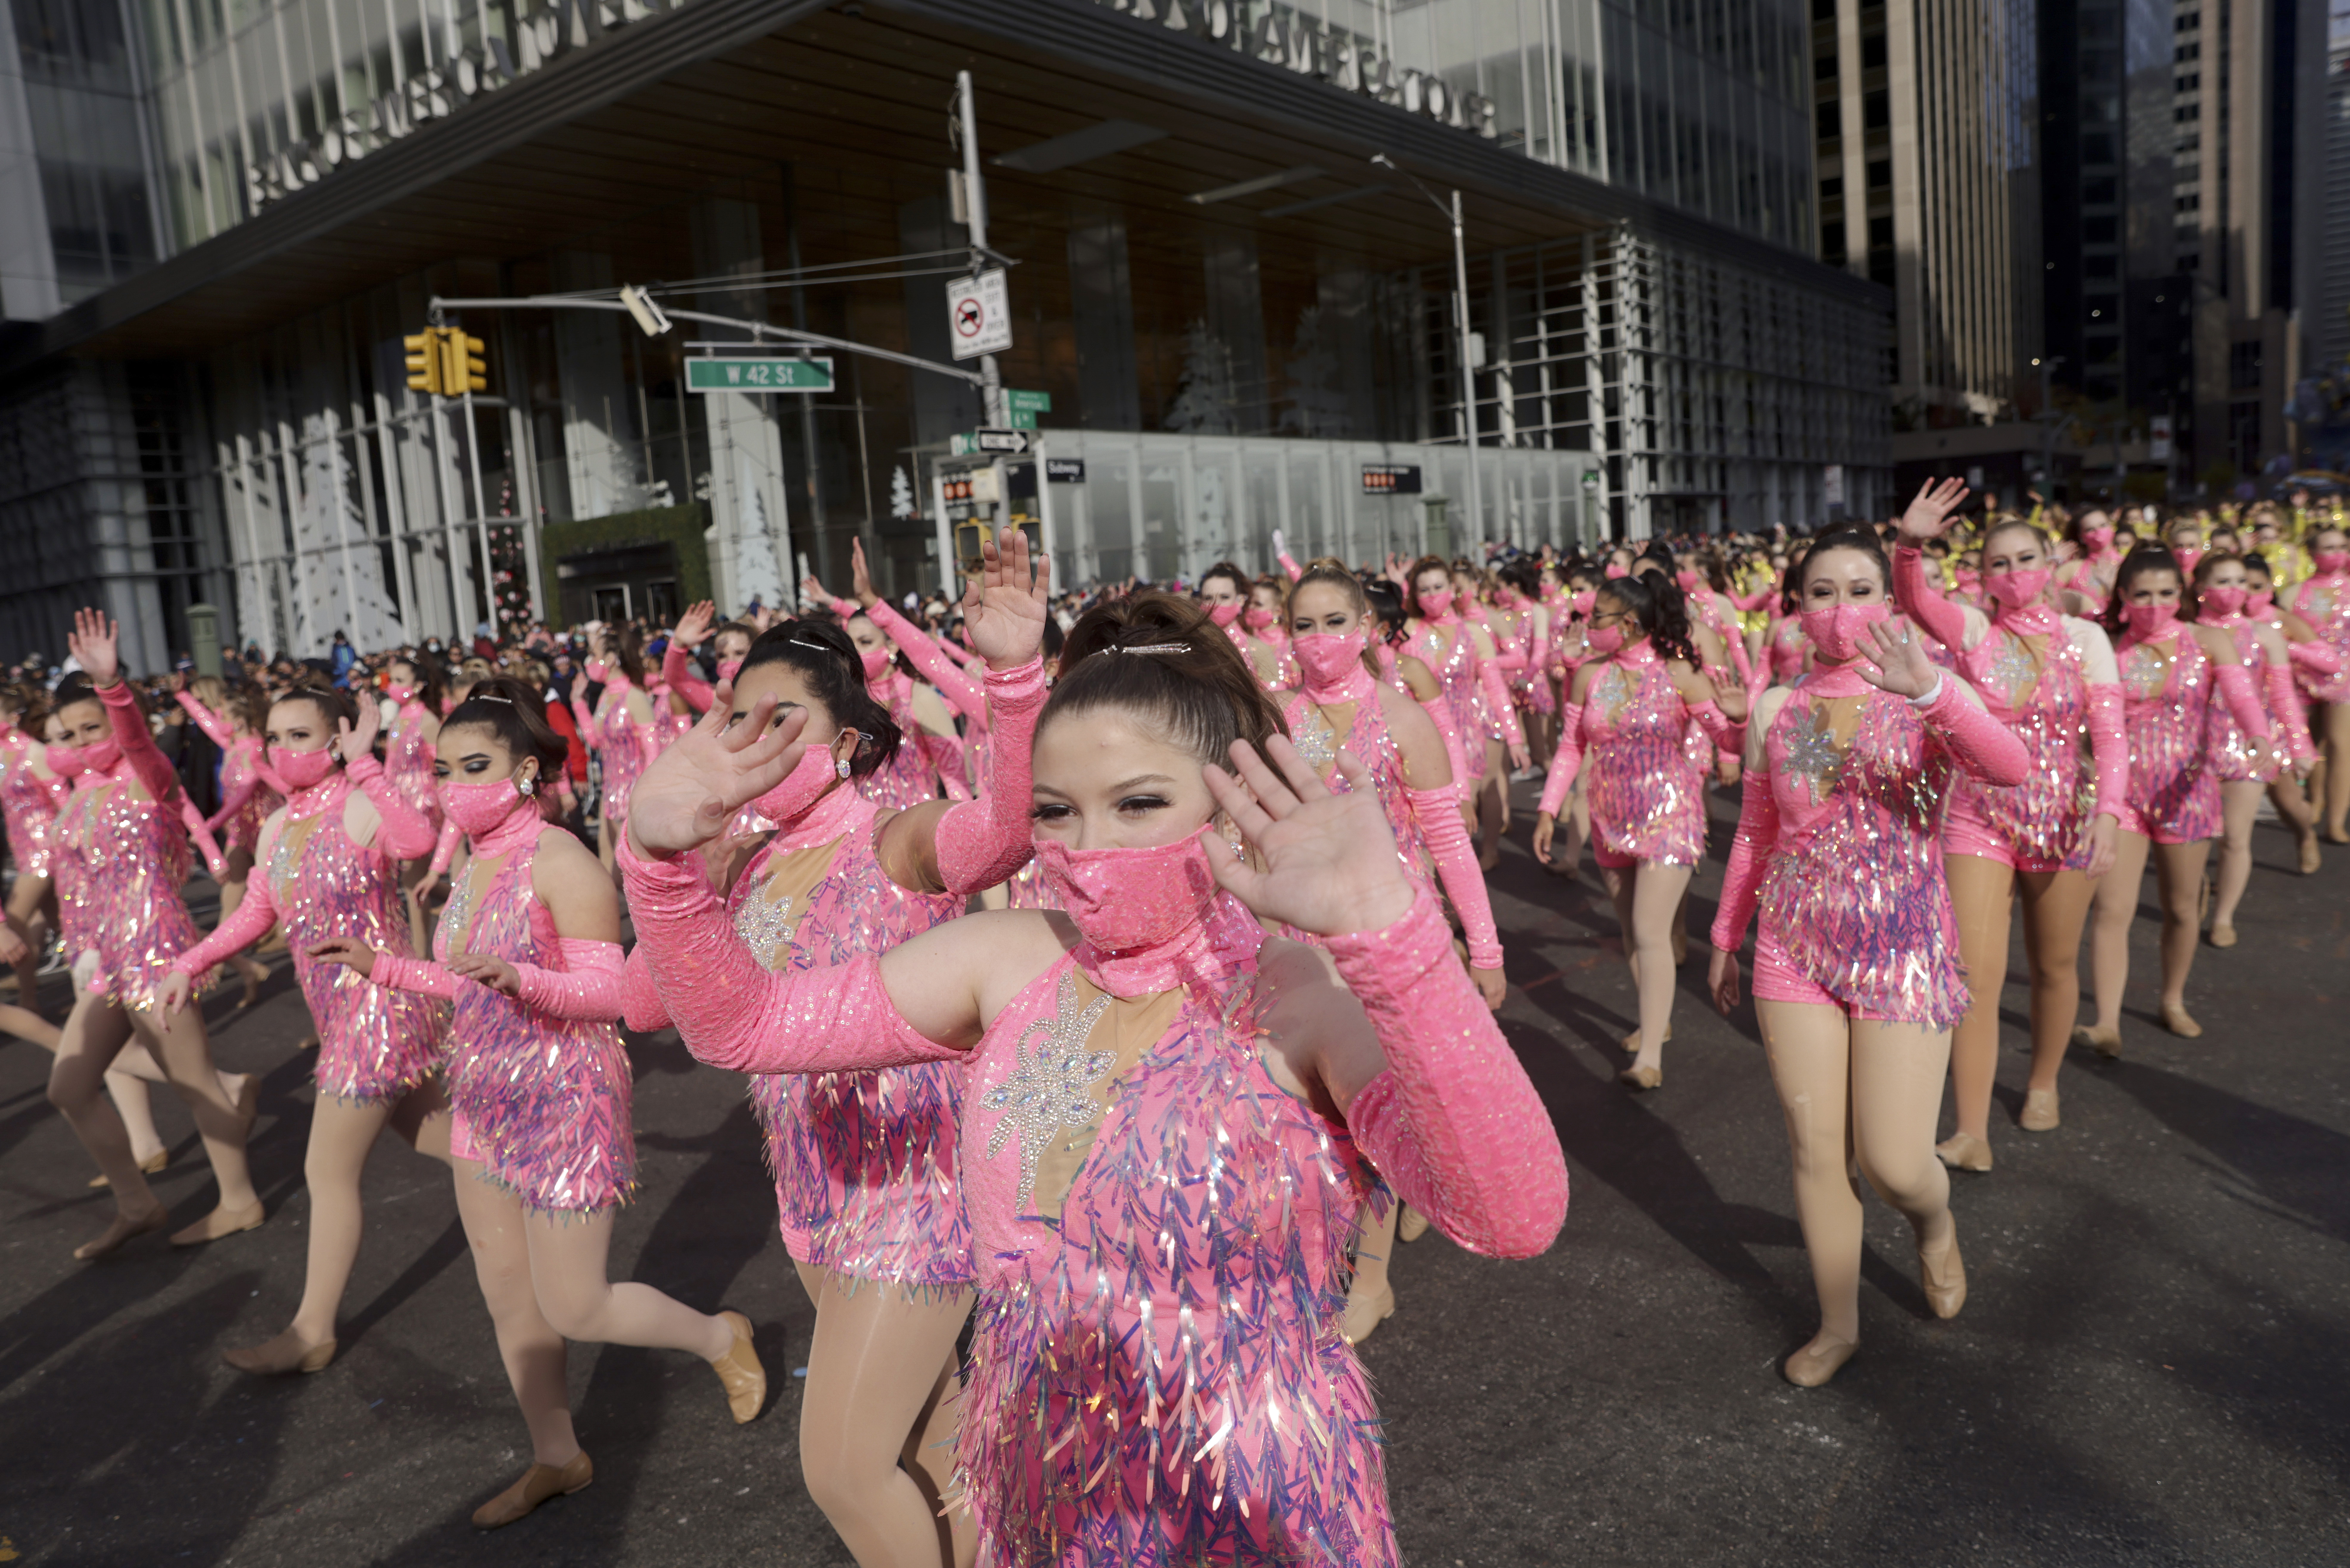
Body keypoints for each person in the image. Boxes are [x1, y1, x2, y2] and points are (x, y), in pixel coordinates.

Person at [622, 589, 1566, 1566]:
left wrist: (1395, 934)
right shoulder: (1007, 959)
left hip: (1258, 1514)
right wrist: (658, 860)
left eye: (1140, 803)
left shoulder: (1301, 991)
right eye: (1057, 812)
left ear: (1226, 797)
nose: (1089, 848)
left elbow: (1512, 1215)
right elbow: (746, 1023)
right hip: (1048, 1507)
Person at [622, 529, 1046, 1568]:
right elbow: (643, 1003)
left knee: (846, 1468)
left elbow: (1005, 830)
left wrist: (1019, 680)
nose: (749, 741)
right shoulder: (743, 865)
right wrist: (664, 854)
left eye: (781, 722)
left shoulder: (894, 840)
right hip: (818, 1202)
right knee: (939, 1442)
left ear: (850, 744)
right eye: (734, 720)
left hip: (921, 1196)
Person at [311, 675, 764, 1529]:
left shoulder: (565, 862)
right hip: (483, 1099)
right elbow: (462, 983)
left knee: (575, 1305)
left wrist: (523, 979)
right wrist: (385, 968)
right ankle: (557, 1454)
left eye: (474, 765)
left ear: (526, 770)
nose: (453, 786)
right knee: (509, 1300)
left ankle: (721, 1337)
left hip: (566, 1106)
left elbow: (613, 997)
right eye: (443, 769)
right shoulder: (475, 866)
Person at [1707, 525, 2029, 1386]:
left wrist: (1933, 694)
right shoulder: (1779, 707)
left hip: (1904, 947)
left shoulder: (1923, 690)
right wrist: (1725, 935)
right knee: (1817, 1150)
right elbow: (1755, 829)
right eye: (1822, 592)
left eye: (1859, 589)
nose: (1840, 608)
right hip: (1792, 946)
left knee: (1893, 1162)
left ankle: (1933, 1224)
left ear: (1889, 603)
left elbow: (2013, 765)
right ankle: (1838, 1322)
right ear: (1798, 608)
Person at [161, 683, 450, 1375]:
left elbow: (419, 839)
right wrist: (192, 958)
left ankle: (312, 1329)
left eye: (299, 735)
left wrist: (368, 766)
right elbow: (257, 912)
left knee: (326, 1169)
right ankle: (540, 1183)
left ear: (335, 737)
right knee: (442, 1137)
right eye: (274, 737)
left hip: (379, 1013)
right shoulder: (277, 826)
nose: (282, 750)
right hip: (340, 1017)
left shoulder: (358, 804)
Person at [1282, 558, 1508, 1342]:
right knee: (1315, 1112)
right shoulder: (1277, 721)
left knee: (1368, 1102)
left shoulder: (1404, 719)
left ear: (1367, 629)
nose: (1318, 640)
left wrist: (1484, 947)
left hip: (1389, 939)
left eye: (1333, 622)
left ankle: (1371, 1281)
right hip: (1300, 944)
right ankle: (1342, 1240)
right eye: (1303, 625)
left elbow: (1450, 845)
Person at [1889, 484, 2125, 1160]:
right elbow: (1915, 602)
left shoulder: (2086, 641)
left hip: (2065, 822)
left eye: (2027, 558)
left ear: (2052, 564)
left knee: (2053, 966)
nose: (2014, 572)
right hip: (1976, 819)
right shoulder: (1972, 631)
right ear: (1983, 575)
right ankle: (1970, 1131)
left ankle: (2043, 1082)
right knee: (1973, 973)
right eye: (1999, 563)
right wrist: (1910, 544)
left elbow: (2109, 740)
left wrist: (2108, 814)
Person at [44, 612, 264, 1259]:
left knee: (193, 1081)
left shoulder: (149, 777)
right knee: (68, 1087)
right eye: (73, 732)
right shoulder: (78, 797)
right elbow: (76, 886)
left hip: (157, 950)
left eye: (96, 726)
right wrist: (81, 946)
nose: (88, 741)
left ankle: (239, 1199)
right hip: (108, 959)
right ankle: (136, 1202)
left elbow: (137, 740)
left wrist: (115, 691)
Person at [1529, 572, 1744, 1089]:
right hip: (1609, 816)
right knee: (1630, 930)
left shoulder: (1681, 674)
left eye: (1596, 617)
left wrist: (1739, 719)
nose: (1588, 624)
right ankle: (1656, 1020)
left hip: (1671, 814)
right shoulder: (1588, 676)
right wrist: (1548, 808)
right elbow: (1571, 747)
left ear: (1627, 623)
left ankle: (1649, 1057)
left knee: (1651, 932)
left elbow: (1730, 742)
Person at [2079, 547, 2272, 1050]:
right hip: (2121, 798)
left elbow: (2243, 696)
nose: (2154, 603)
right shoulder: (2108, 646)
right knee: (2112, 910)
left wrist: (2259, 734)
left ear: (2182, 594)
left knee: (2182, 910)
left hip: (2189, 794)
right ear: (2122, 596)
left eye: (2166, 593)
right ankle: (2107, 1021)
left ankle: (2172, 999)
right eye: (2141, 594)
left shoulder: (2208, 641)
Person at [1402, 556, 1526, 870]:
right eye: (1424, 589)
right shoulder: (1408, 632)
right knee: (1424, 827)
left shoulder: (1474, 633)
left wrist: (1514, 738)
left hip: (1467, 739)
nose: (1432, 595)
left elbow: (1496, 689)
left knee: (1454, 824)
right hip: (1420, 739)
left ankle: (1462, 898)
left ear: (1453, 589)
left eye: (1438, 587)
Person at [175, 675, 279, 1006]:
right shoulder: (231, 745)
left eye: (222, 716)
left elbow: (243, 795)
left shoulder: (255, 748)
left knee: (279, 898)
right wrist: (183, 696)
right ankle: (225, 964)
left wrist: (210, 824)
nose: (216, 721)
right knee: (229, 900)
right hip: (240, 832)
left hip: (266, 832)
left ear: (238, 721)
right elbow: (207, 723)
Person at [2283, 523, 2350, 843]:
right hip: (2303, 677)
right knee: (2312, 745)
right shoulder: (2295, 593)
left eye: (2342, 547)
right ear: (2312, 554)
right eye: (2329, 548)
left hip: (2346, 677)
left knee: (2340, 744)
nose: (2337, 555)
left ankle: (2336, 820)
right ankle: (2317, 799)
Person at [574, 623, 656, 872]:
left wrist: (647, 797)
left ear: (610, 659)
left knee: (635, 867)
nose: (590, 661)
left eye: (595, 655)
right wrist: (578, 703)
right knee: (607, 861)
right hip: (610, 791)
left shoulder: (635, 697)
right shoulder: (604, 697)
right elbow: (596, 741)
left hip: (634, 793)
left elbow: (654, 753)